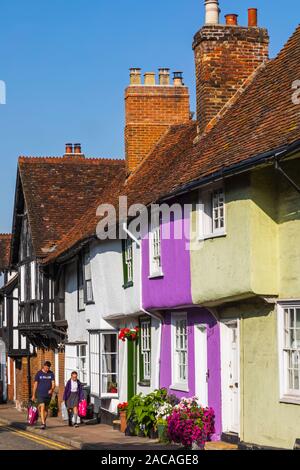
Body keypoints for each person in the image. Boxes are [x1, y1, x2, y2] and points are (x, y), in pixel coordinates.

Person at [32, 361, 55, 430]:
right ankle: (43, 423)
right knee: (42, 406)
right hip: (40, 394)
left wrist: (52, 389)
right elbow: (35, 384)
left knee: (46, 409)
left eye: (48, 368)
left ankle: (43, 422)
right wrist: (33, 395)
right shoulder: (39, 373)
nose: (47, 369)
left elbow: (53, 384)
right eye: (46, 368)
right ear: (44, 366)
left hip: (48, 395)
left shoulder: (51, 374)